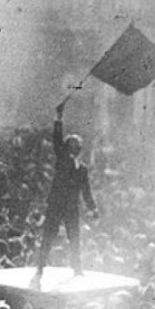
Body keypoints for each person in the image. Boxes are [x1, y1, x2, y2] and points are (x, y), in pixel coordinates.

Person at [36, 101, 99, 276]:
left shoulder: (82, 168)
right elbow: (57, 138)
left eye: (76, 144)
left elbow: (86, 191)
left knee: (74, 237)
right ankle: (41, 265)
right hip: (56, 204)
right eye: (71, 144)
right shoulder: (62, 158)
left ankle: (77, 268)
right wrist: (59, 118)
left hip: (71, 207)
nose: (74, 147)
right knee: (49, 235)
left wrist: (93, 208)